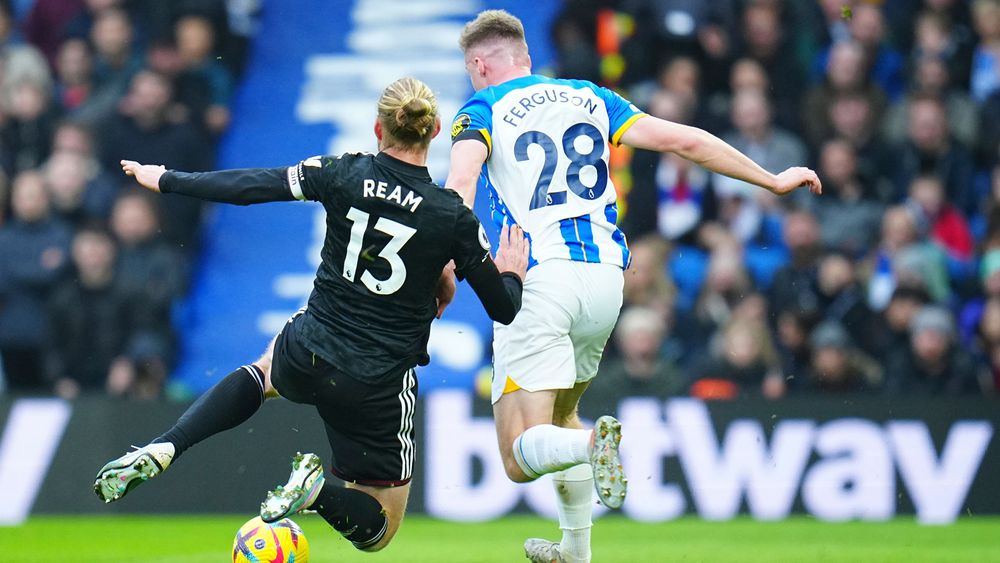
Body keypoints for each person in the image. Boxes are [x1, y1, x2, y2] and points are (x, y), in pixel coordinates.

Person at [444, 10, 821, 563]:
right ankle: (576, 550)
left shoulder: (481, 108)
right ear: (525, 58)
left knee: (518, 456)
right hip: (605, 284)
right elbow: (682, 140)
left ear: (480, 64)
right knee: (561, 415)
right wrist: (769, 178)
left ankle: (591, 444)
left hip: (542, 280)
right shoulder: (589, 95)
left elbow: (460, 183)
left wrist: (445, 261)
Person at [93, 77, 529, 553]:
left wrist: (170, 179)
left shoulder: (341, 172)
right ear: (437, 130)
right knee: (379, 530)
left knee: (263, 374)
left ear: (378, 129)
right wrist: (511, 275)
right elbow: (502, 309)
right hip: (375, 381)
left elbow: (254, 186)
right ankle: (317, 493)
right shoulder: (451, 217)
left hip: (311, 347)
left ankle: (169, 444)